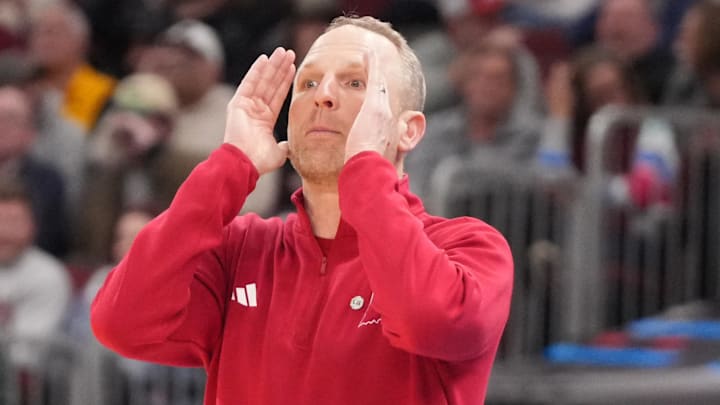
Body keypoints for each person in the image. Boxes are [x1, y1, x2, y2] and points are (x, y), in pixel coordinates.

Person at [91, 15, 513, 405]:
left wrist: (365, 168)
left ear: (408, 130)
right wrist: (230, 166)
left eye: (354, 83)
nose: (323, 96)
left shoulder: (470, 248)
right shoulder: (240, 250)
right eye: (308, 84)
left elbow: (429, 320)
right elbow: (121, 322)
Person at [0, 180, 71, 370]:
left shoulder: (48, 274)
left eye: (13, 222)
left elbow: (26, 354)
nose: (3, 232)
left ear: (32, 225)